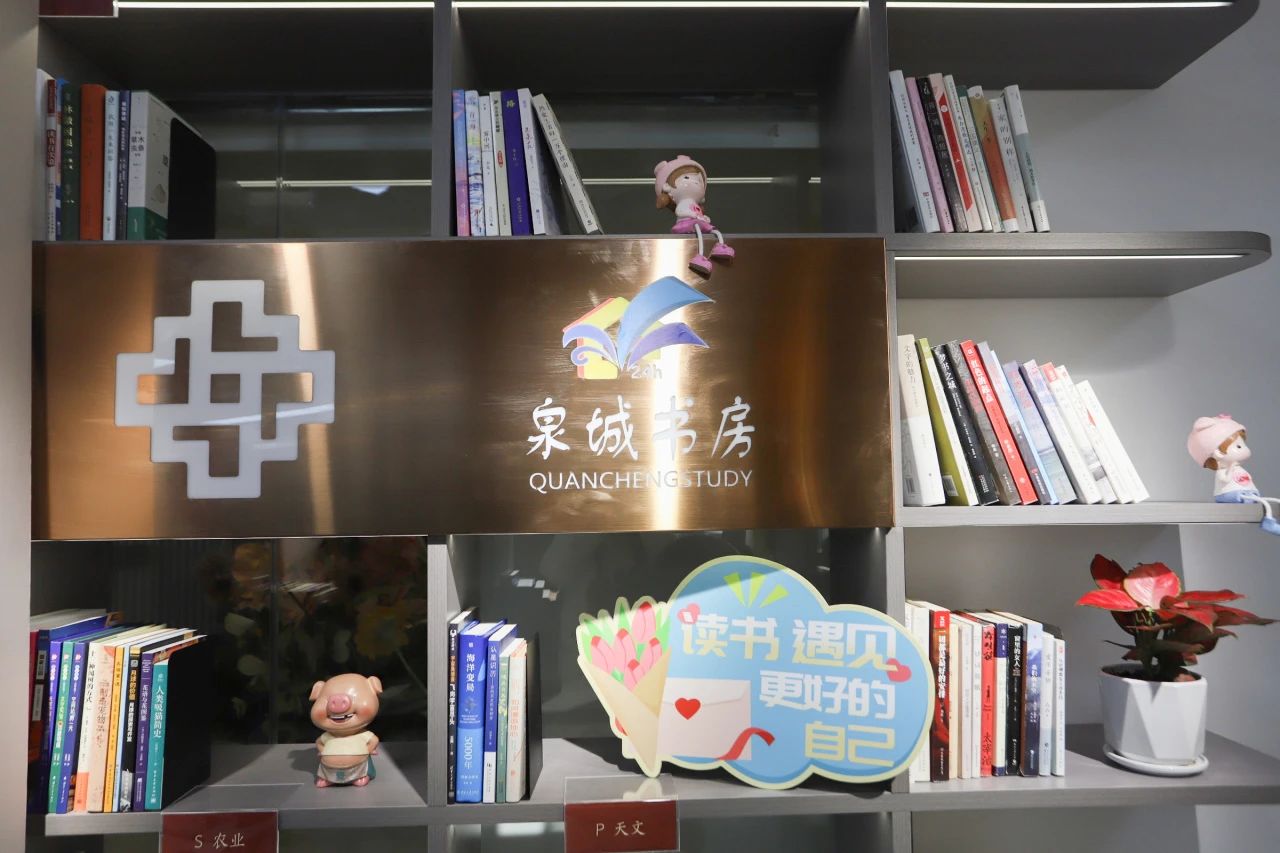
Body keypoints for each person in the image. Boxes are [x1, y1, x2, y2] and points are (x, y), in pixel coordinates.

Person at [1187, 414, 1280, 535]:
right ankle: (1269, 523)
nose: (1246, 450)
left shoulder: (1238, 468)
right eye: (1239, 446)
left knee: (1272, 501)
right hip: (1231, 494)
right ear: (1218, 453)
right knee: (1265, 504)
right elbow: (1225, 479)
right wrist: (1231, 469)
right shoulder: (1222, 471)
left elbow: (1246, 479)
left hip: (1247, 492)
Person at [654, 155, 734, 277]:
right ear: (667, 186)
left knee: (714, 231)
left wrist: (703, 218)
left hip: (697, 221)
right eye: (686, 177)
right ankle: (700, 256)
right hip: (688, 223)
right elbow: (680, 212)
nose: (695, 182)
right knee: (700, 236)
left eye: (699, 180)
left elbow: (697, 215)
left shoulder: (694, 205)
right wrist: (693, 215)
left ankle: (720, 246)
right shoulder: (684, 203)